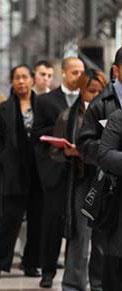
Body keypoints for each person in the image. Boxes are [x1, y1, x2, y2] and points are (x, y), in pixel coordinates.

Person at [77, 44, 122, 291]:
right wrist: (110, 151)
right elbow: (84, 143)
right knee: (102, 244)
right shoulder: (101, 102)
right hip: (107, 184)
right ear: (116, 70)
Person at [50, 69, 107, 291]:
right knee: (79, 236)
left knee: (102, 237)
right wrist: (67, 152)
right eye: (90, 91)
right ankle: (74, 283)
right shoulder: (67, 116)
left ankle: (99, 283)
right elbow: (53, 152)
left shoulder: (110, 112)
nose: (95, 96)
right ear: (81, 90)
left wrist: (85, 152)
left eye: (99, 91)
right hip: (81, 180)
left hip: (104, 180)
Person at [33, 56, 84, 288]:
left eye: (81, 72)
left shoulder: (88, 98)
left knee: (79, 223)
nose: (78, 76)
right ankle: (48, 270)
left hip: (81, 170)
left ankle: (76, 273)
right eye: (74, 72)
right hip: (56, 169)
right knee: (52, 221)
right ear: (63, 73)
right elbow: (37, 133)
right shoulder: (46, 102)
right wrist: (57, 140)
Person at [0, 65, 43, 277]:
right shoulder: (4, 109)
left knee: (37, 219)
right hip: (13, 171)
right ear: (12, 81)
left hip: (39, 171)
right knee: (9, 218)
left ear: (32, 80)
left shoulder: (42, 105)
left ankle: (31, 263)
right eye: (17, 78)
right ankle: (2, 260)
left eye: (25, 77)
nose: (21, 81)